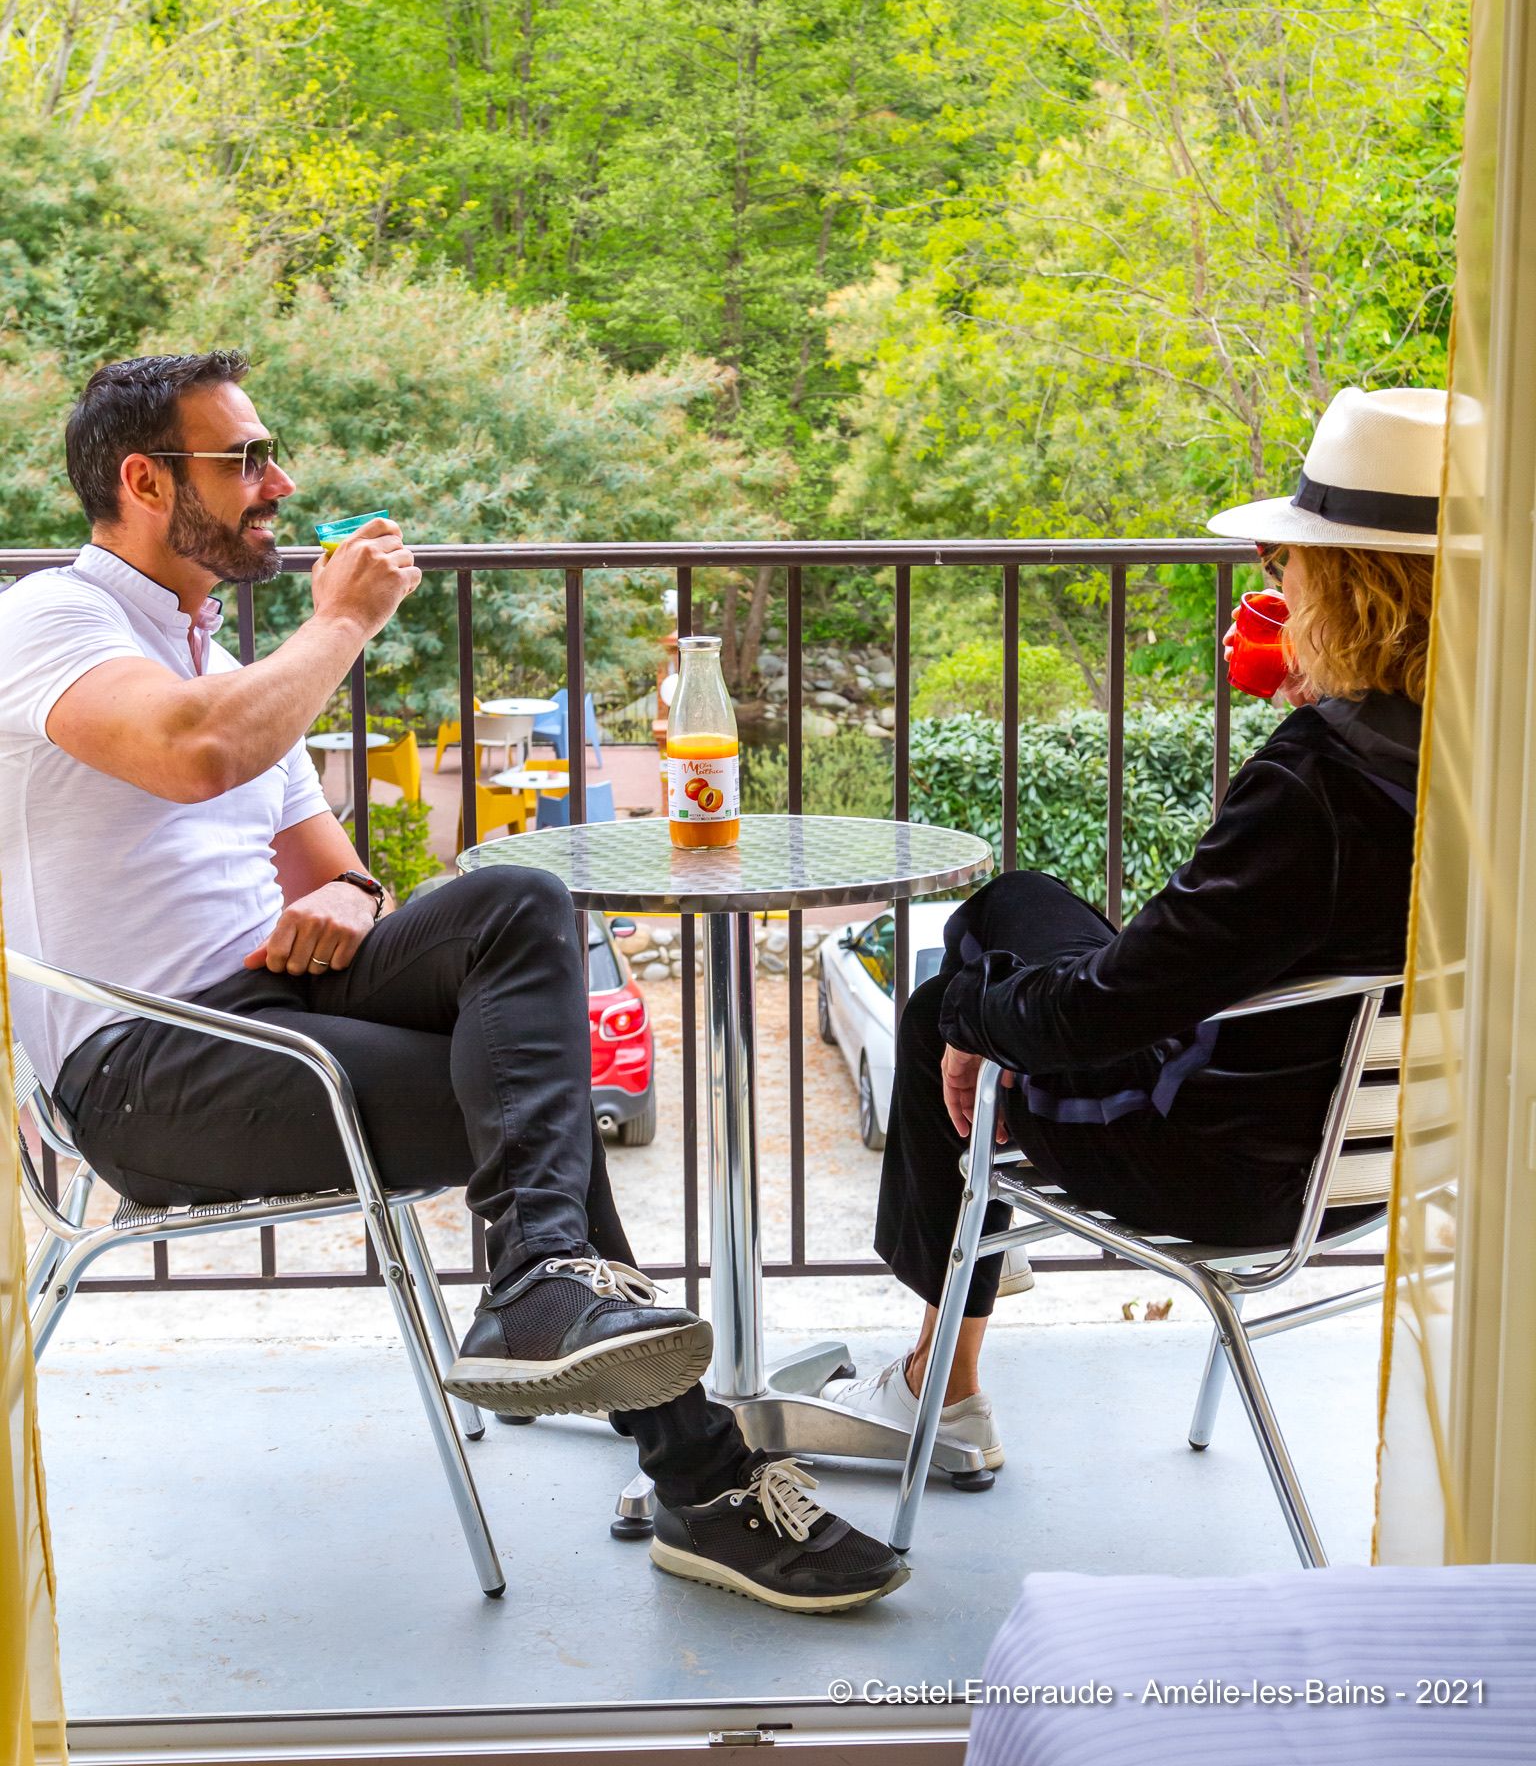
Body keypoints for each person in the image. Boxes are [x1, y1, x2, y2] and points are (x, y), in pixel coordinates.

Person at [0, 351, 907, 1613]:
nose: (281, 483)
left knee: (520, 903)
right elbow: (196, 752)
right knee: (529, 1089)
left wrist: (345, 898)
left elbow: (345, 876)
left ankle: (542, 1285)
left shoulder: (215, 649)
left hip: (278, 1004)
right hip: (149, 1068)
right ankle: (696, 1473)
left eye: (272, 454)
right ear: (145, 481)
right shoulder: (56, 623)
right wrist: (346, 622)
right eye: (245, 460)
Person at [822, 384, 1442, 1469]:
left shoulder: (1314, 788)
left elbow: (1111, 1005)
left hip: (1214, 1163)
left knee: (938, 1007)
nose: (1274, 581)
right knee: (1013, 903)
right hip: (1386, 1166)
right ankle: (965, 1257)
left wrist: (970, 1018)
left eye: (1280, 563)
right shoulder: (1480, 764)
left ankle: (941, 1377)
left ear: (1348, 582)